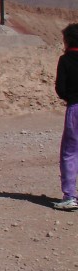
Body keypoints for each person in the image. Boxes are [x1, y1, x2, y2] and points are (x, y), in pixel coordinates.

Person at [53, 22, 78, 211]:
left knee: (70, 152)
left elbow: (60, 89)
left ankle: (70, 196)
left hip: (75, 108)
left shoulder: (66, 60)